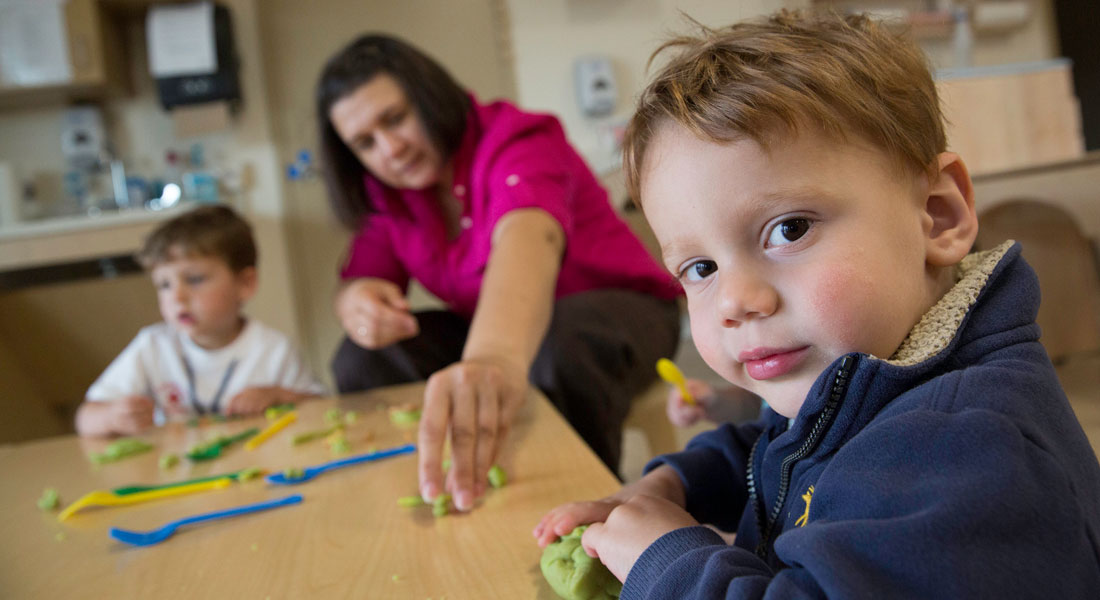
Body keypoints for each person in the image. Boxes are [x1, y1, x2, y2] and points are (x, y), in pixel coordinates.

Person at [534, 11, 1100, 597]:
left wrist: (672, 565)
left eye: (789, 229)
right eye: (700, 269)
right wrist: (676, 483)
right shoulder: (868, 370)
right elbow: (782, 447)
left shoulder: (970, 453)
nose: (735, 301)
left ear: (937, 215)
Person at [316, 35, 681, 511]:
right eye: (365, 143)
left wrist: (491, 357)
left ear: (428, 96)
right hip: (513, 328)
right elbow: (363, 276)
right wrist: (358, 302)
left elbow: (529, 238)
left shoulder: (517, 139)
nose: (390, 149)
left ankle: (580, 508)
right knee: (363, 357)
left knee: (565, 342)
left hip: (621, 312)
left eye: (395, 118)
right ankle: (421, 480)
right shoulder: (389, 196)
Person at [76, 205, 326, 437]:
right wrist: (112, 417)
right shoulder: (152, 345)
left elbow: (321, 409)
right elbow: (86, 417)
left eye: (194, 280)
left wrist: (279, 396)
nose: (177, 297)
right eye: (164, 284)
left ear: (245, 284)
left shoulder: (273, 349)